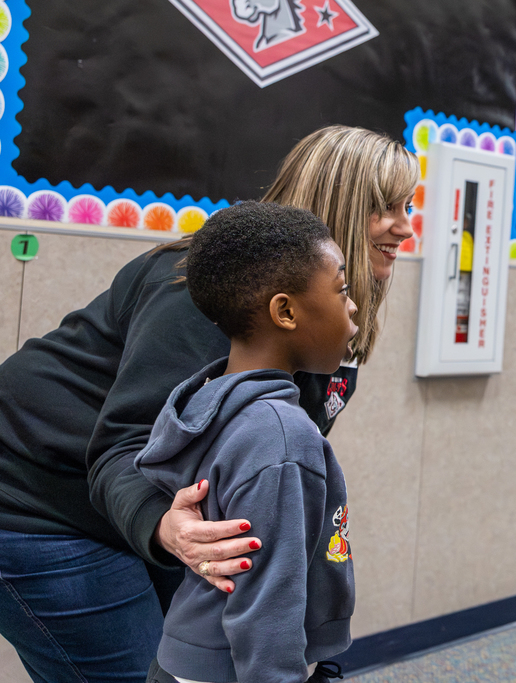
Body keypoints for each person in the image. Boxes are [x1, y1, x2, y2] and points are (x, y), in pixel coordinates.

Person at [0, 125, 417, 682]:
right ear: (339, 205)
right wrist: (162, 527)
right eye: (384, 209)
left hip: (144, 508)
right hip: (35, 500)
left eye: (407, 206)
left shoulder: (322, 320)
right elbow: (121, 446)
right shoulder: (207, 299)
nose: (405, 227)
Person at [137, 201, 357, 683]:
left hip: (190, 656)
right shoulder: (280, 435)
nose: (353, 305)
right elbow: (267, 603)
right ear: (285, 311)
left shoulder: (213, 401)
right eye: (341, 290)